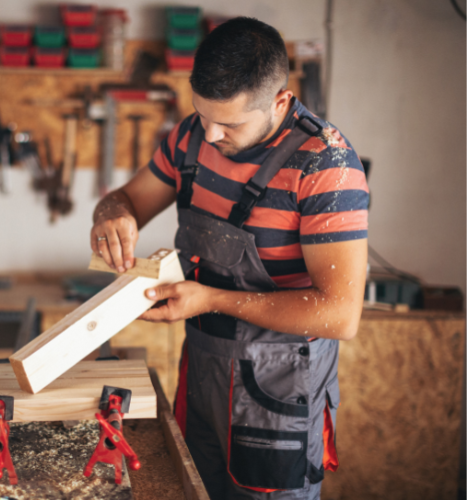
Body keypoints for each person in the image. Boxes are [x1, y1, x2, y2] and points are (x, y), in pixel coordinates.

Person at [90, 17, 369, 500]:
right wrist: (113, 214)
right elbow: (123, 199)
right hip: (202, 372)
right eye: (203, 113)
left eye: (231, 123)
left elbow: (339, 315)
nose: (212, 133)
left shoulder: (326, 166)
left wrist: (210, 299)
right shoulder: (190, 138)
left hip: (277, 389)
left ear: (279, 101)